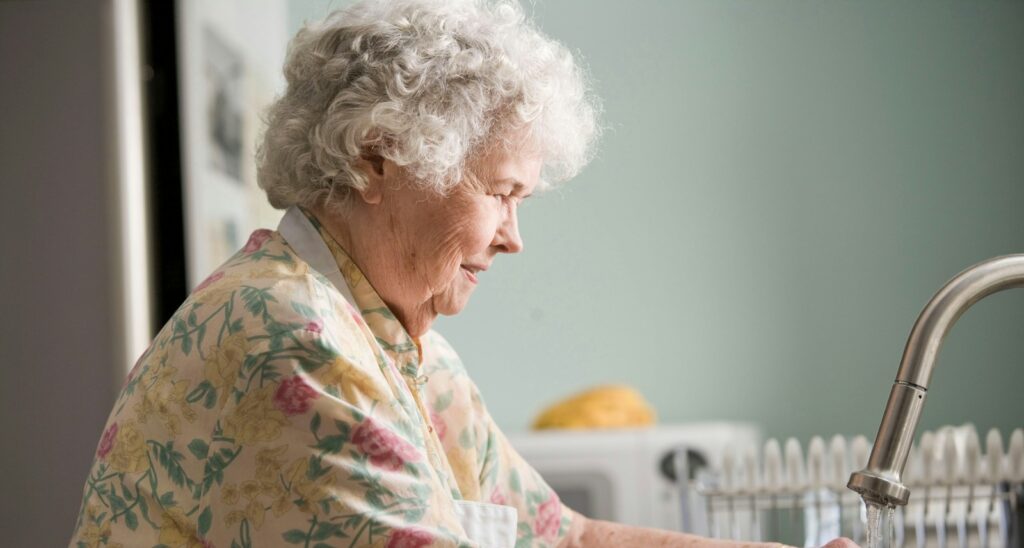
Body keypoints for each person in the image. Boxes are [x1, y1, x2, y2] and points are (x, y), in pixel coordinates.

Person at [70, 1, 856, 546]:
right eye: (501, 193)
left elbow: (566, 537)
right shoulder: (292, 338)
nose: (514, 239)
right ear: (377, 159)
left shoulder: (400, 342)